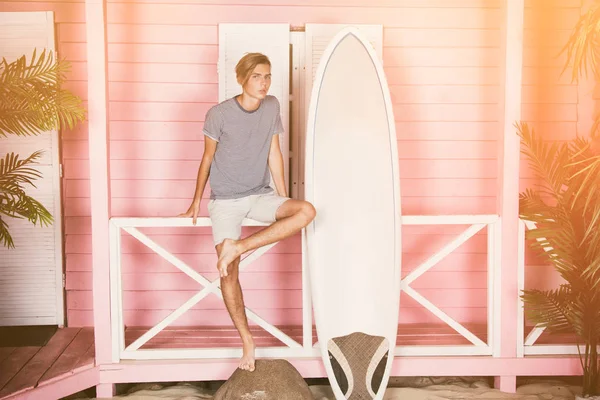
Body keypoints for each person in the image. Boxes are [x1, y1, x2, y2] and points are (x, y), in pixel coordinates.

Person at [179, 53, 316, 372]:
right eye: (257, 76)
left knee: (305, 211)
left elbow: (274, 153)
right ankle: (247, 342)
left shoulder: (272, 106)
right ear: (241, 79)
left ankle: (237, 247)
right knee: (229, 272)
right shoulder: (218, 114)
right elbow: (207, 159)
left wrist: (282, 197)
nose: (264, 83)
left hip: (260, 195)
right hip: (225, 201)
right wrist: (196, 201)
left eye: (267, 76)